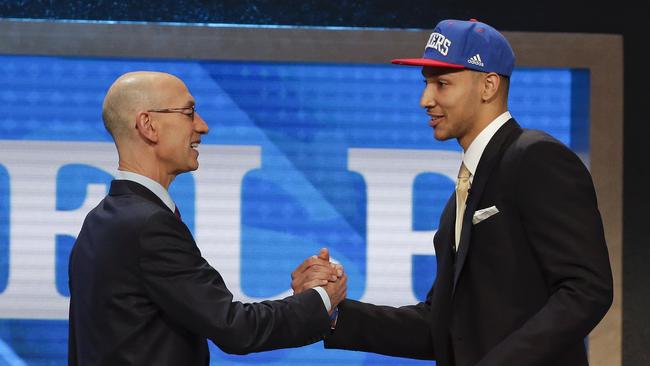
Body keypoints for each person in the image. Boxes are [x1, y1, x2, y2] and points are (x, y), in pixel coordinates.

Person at [292, 19, 613, 366]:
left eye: (442, 83)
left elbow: (587, 290)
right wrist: (330, 312)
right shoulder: (464, 192)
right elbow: (442, 325)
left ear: (488, 85)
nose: (425, 99)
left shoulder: (535, 158)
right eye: (427, 83)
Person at [68, 71, 347, 366]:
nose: (202, 126)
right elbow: (236, 328)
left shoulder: (101, 220)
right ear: (148, 125)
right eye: (189, 113)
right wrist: (322, 299)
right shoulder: (148, 226)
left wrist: (301, 301)